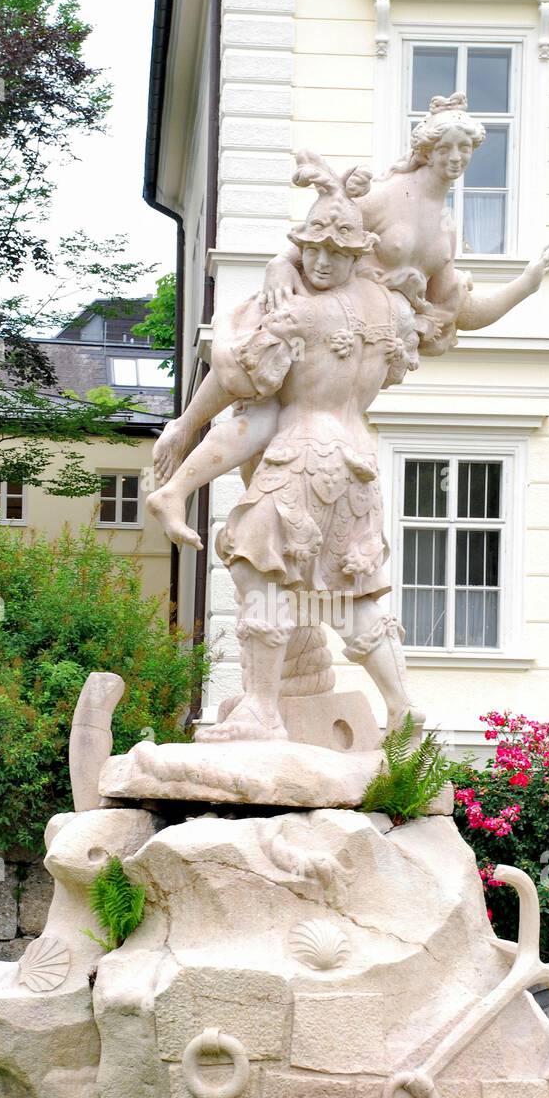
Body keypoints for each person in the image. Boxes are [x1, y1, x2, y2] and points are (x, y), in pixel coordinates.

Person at [147, 92, 549, 538]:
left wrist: (525, 285)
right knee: (255, 381)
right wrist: (281, 263)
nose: (456, 158)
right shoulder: (386, 196)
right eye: (445, 147)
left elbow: (456, 310)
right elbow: (322, 230)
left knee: (280, 426)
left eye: (465, 148)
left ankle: (191, 489)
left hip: (367, 340)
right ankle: (184, 440)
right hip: (327, 318)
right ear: (425, 150)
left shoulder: (445, 226)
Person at [168, 153, 424, 742]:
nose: (322, 261)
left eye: (335, 252)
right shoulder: (392, 309)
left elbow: (240, 384)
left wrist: (186, 426)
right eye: (310, 250)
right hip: (358, 460)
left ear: (357, 253)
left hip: (303, 454)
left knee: (260, 570)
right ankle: (402, 705)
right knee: (354, 586)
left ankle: (261, 709)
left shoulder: (297, 310)